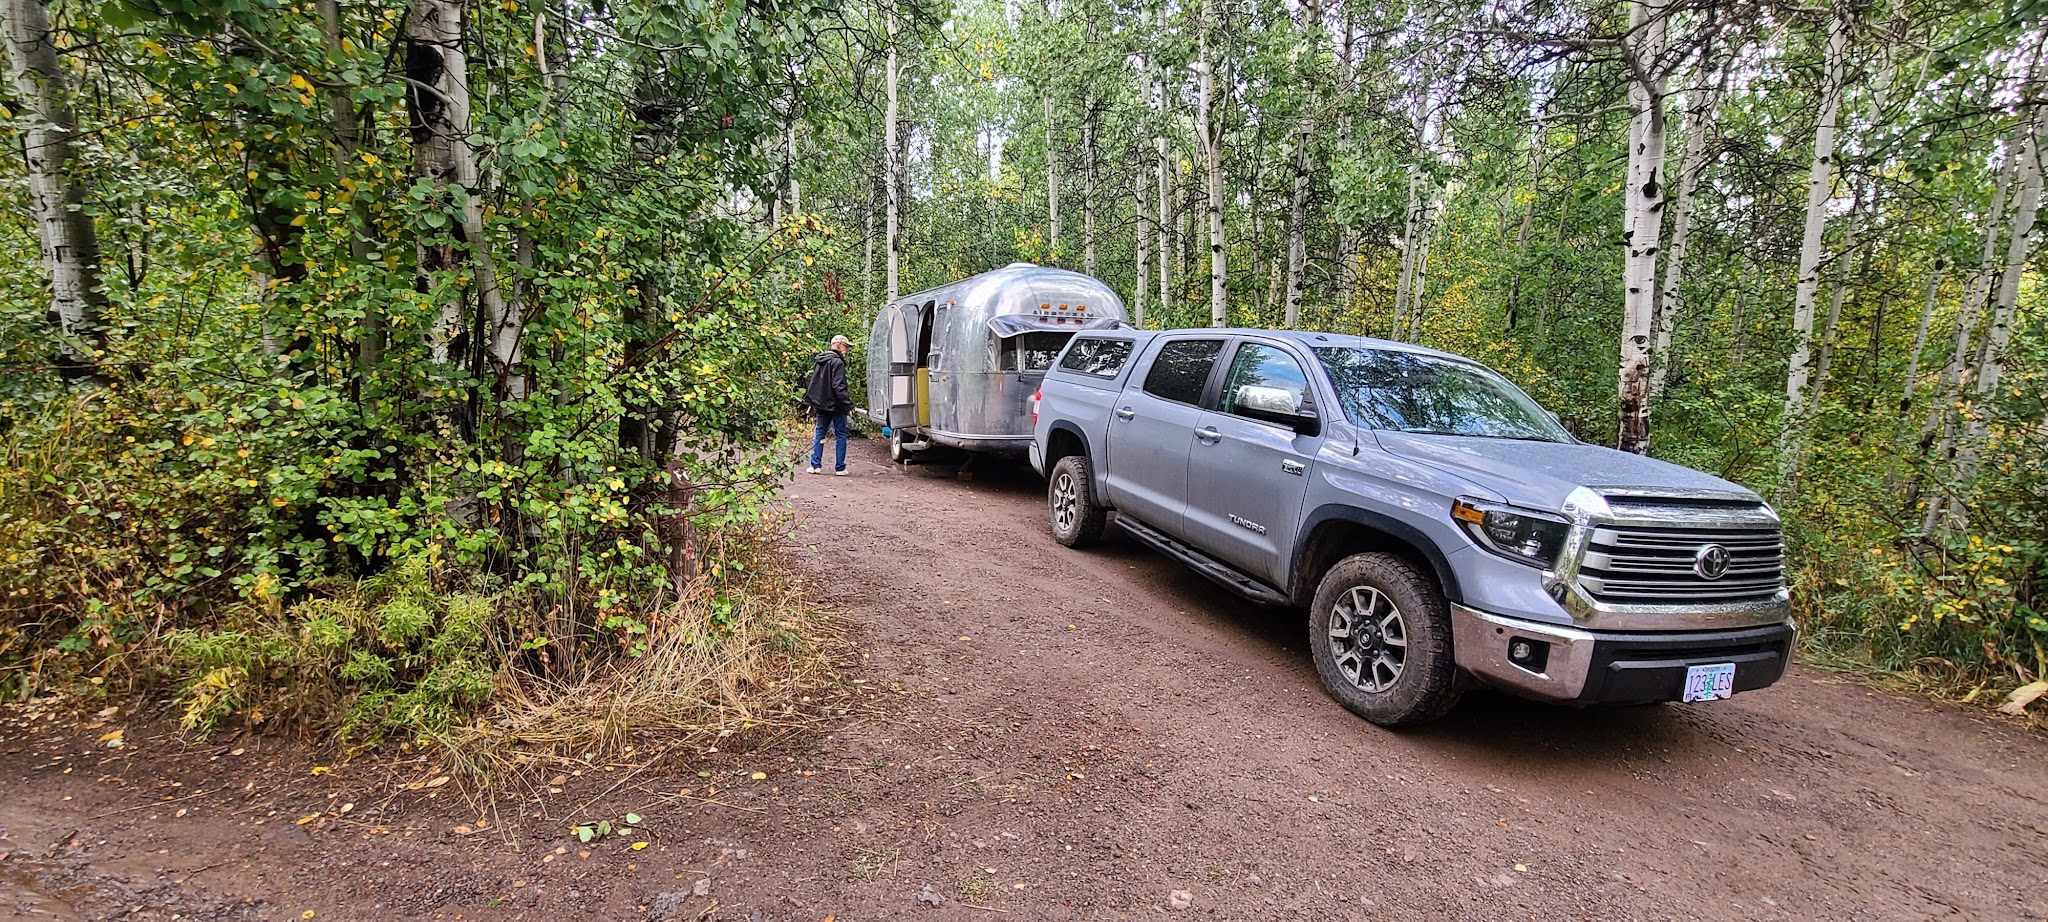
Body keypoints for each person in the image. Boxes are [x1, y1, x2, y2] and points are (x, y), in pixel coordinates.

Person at [805, 334, 854, 475]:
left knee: (819, 433)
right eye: (846, 346)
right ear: (838, 344)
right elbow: (838, 386)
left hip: (821, 404)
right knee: (840, 434)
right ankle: (840, 468)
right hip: (836, 405)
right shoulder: (837, 362)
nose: (847, 350)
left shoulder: (821, 360)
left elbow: (815, 382)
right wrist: (848, 405)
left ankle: (815, 466)